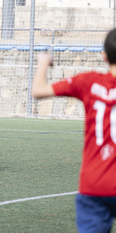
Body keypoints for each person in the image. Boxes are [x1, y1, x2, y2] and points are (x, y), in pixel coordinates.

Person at [31, 28, 116, 233]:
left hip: (94, 184)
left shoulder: (89, 81)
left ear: (104, 55)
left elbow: (38, 91)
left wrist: (43, 63)